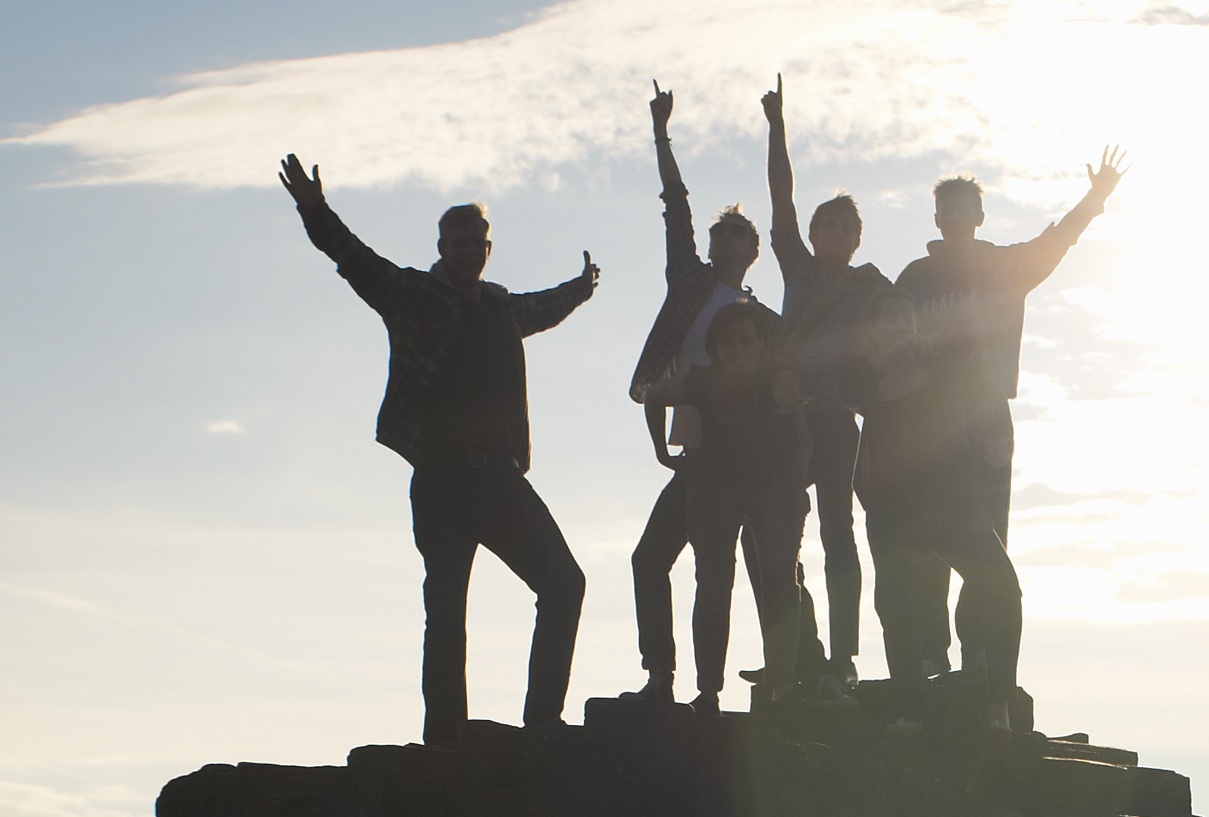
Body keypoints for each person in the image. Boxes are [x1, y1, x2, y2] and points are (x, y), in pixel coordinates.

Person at [281, 153, 597, 740]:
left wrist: (583, 287)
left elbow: (543, 307)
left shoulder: (502, 310)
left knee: (563, 582)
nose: (468, 250)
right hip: (442, 479)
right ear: (441, 245)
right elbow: (354, 259)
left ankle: (543, 722)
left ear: (488, 249)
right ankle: (447, 736)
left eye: (477, 241)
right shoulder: (414, 296)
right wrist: (314, 208)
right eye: (457, 241)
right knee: (447, 609)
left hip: (500, 479)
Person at [864, 147, 1123, 716]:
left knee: (985, 543)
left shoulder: (1003, 266)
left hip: (984, 416)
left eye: (965, 207)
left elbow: (1056, 243)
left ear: (979, 216)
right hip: (924, 420)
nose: (955, 216)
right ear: (936, 219)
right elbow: (878, 332)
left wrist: (1095, 198)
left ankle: (980, 656)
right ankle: (931, 654)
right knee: (926, 539)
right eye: (945, 208)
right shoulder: (915, 277)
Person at [627, 87, 823, 703]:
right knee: (658, 562)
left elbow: (794, 382)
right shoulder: (690, 284)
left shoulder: (761, 320)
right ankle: (665, 677)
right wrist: (662, 133)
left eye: (737, 234)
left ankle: (800, 677)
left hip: (756, 459)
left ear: (754, 249)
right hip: (701, 459)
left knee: (774, 572)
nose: (725, 241)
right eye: (720, 234)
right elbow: (674, 209)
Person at [763, 77, 900, 672]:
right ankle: (796, 653)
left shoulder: (870, 286)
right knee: (777, 531)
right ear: (814, 235)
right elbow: (781, 197)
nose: (834, 236)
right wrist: (777, 127)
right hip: (786, 415)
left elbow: (905, 330)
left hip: (837, 418)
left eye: (846, 230)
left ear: (855, 239)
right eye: (827, 228)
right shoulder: (796, 266)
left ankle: (844, 656)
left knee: (837, 532)